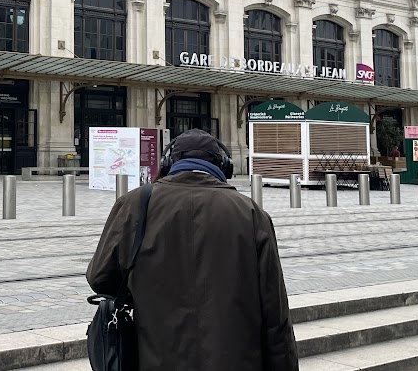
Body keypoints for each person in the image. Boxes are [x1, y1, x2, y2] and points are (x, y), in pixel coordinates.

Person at [86, 129, 298, 371]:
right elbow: (275, 312)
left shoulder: (135, 204)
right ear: (223, 166)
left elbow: (100, 278)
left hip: (154, 357)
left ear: (168, 163)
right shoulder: (250, 213)